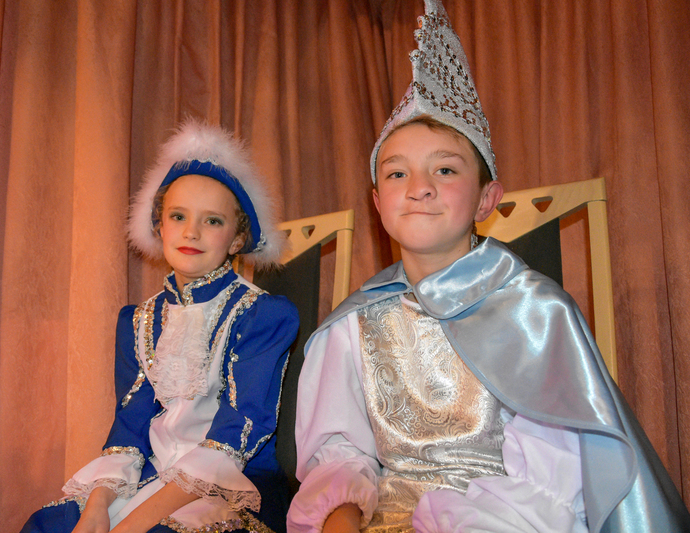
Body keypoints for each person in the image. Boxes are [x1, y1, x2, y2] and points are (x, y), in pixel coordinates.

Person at [287, 1, 690, 532]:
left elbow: (550, 483)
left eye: (445, 170)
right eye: (397, 173)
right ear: (378, 203)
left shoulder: (534, 313)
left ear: (485, 200)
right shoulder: (355, 323)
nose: (420, 188)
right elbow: (340, 451)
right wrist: (339, 517)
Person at [21, 120, 299, 533]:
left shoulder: (261, 315)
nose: (191, 232)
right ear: (159, 226)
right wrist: (98, 507)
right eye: (178, 216)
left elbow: (238, 431)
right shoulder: (139, 320)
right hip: (154, 473)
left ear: (237, 239)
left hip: (231, 481)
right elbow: (131, 425)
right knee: (51, 524)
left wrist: (133, 524)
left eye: (212, 221)